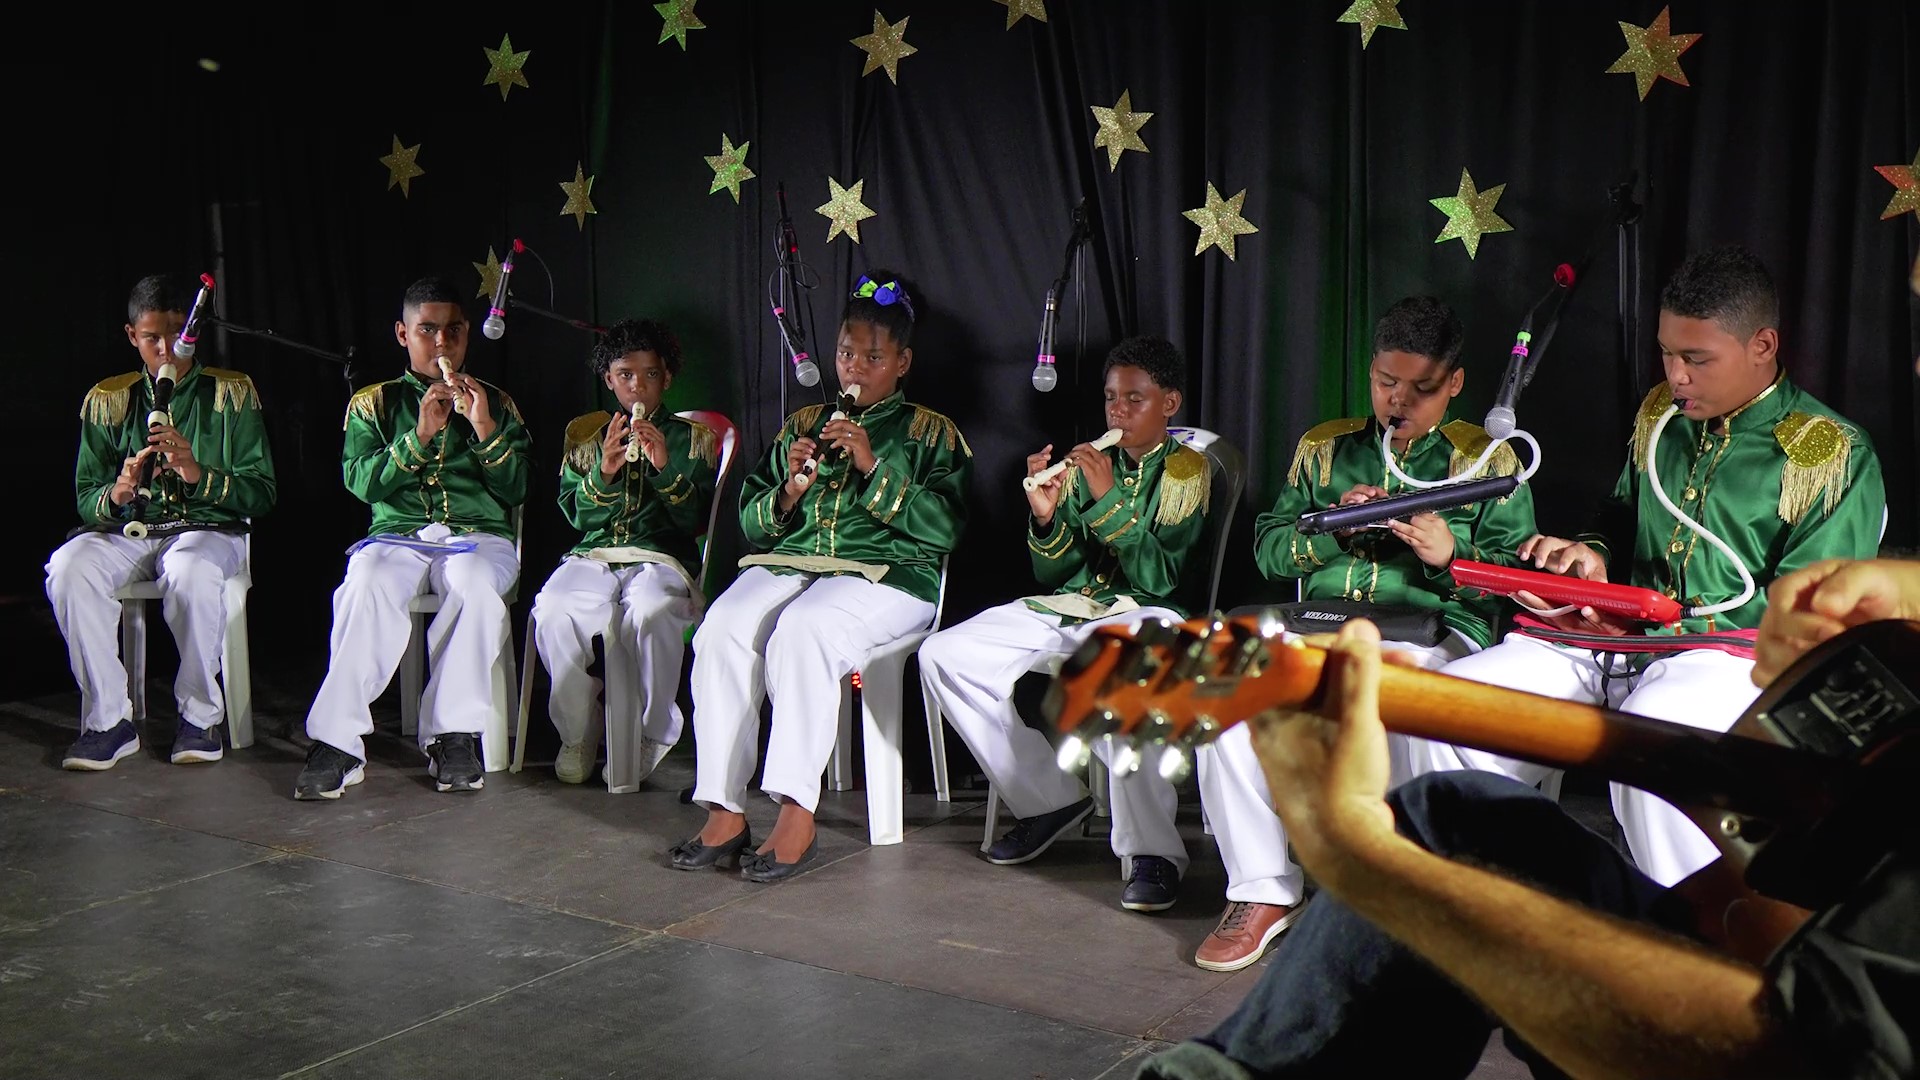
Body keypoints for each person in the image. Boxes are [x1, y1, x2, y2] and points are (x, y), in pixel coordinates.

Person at [1134, 554, 1919, 1078]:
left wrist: (1354, 852)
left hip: (1768, 1035)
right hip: (1794, 942)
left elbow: (1773, 1052)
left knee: (1417, 858)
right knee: (1460, 821)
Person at [1416, 246, 1886, 887]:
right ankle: (1492, 919)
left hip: (1725, 658)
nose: (1677, 376)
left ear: (1763, 345)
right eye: (1667, 353)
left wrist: (1660, 627)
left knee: (1652, 756)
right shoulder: (1659, 416)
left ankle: (1693, 950)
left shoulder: (1830, 452)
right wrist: (1591, 555)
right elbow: (1617, 513)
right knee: (1451, 714)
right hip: (1602, 636)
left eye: (1696, 359)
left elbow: (1809, 615)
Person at [1179, 297, 1538, 971]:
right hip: (1318, 625)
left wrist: (1448, 557)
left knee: (1388, 696)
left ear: (1455, 383)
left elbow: (1517, 582)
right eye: (1384, 382)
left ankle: (1396, 893)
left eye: (1420, 388)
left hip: (1430, 634)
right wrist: (1330, 532)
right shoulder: (1325, 449)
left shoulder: (1488, 461)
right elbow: (1268, 552)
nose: (1397, 402)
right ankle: (1262, 889)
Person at [670, 271, 970, 882]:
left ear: (903, 361)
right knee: (722, 625)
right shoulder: (802, 424)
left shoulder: (930, 432)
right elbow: (754, 526)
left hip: (893, 578)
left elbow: (945, 529)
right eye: (845, 353)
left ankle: (795, 813)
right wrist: (787, 490)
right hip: (794, 566)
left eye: (872, 357)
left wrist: (871, 464)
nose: (854, 369)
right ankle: (725, 808)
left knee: (804, 630)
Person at [919, 335, 1213, 913]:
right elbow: (1058, 571)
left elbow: (1160, 576)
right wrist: (1046, 514)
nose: (1118, 412)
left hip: (1151, 612)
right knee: (943, 655)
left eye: (1135, 399)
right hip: (1076, 605)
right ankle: (1046, 799)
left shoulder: (1187, 470)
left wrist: (1106, 499)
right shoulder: (1086, 465)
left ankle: (1152, 852)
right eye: (1110, 399)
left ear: (1170, 402)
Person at [294, 276, 532, 800]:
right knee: (367, 579)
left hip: (480, 537)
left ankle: (453, 734)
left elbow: (517, 488)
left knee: (472, 583)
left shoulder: (498, 403)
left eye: (453, 331)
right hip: (397, 537)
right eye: (428, 331)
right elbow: (362, 483)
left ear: (468, 334)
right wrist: (419, 434)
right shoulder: (371, 403)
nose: (442, 343)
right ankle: (337, 742)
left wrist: (486, 428)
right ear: (404, 335)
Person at [46, 274, 275, 769]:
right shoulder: (108, 398)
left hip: (208, 531)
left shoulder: (229, 393)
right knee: (69, 567)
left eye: (178, 333)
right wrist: (119, 491)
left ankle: (199, 716)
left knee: (191, 570)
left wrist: (197, 473)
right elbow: (88, 498)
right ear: (133, 337)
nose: (168, 348)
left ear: (195, 330)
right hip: (131, 532)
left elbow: (262, 492)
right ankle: (108, 721)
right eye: (153, 337)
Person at [531, 318, 717, 786]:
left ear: (666, 378)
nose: (637, 386)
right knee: (553, 609)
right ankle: (578, 730)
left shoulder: (693, 439)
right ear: (609, 380)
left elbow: (693, 520)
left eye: (650, 375)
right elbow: (577, 516)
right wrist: (604, 473)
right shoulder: (586, 438)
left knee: (652, 610)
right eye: (625, 375)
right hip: (596, 555)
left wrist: (664, 469)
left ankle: (654, 730)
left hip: (661, 558)